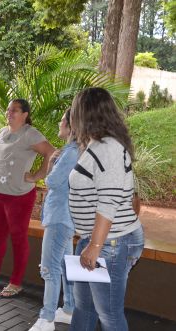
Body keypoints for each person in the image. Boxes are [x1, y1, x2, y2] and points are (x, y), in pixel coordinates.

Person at [68, 87, 144, 331]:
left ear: (85, 113)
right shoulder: (95, 146)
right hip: (96, 240)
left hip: (109, 243)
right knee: (84, 308)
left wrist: (95, 246)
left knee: (108, 315)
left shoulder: (109, 148)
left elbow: (108, 203)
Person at [0, 99, 55, 298]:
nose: (8, 113)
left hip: (18, 196)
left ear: (25, 114)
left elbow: (51, 153)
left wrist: (36, 176)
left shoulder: (29, 134)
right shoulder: (2, 132)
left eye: (14, 110)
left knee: (18, 238)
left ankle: (16, 283)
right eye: (8, 110)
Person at [29, 109, 78, 331]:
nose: (59, 123)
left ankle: (46, 319)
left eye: (62, 120)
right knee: (66, 266)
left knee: (49, 268)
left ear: (70, 126)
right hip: (63, 217)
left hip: (60, 218)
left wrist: (50, 168)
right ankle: (68, 309)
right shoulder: (70, 150)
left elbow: (54, 181)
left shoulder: (70, 153)